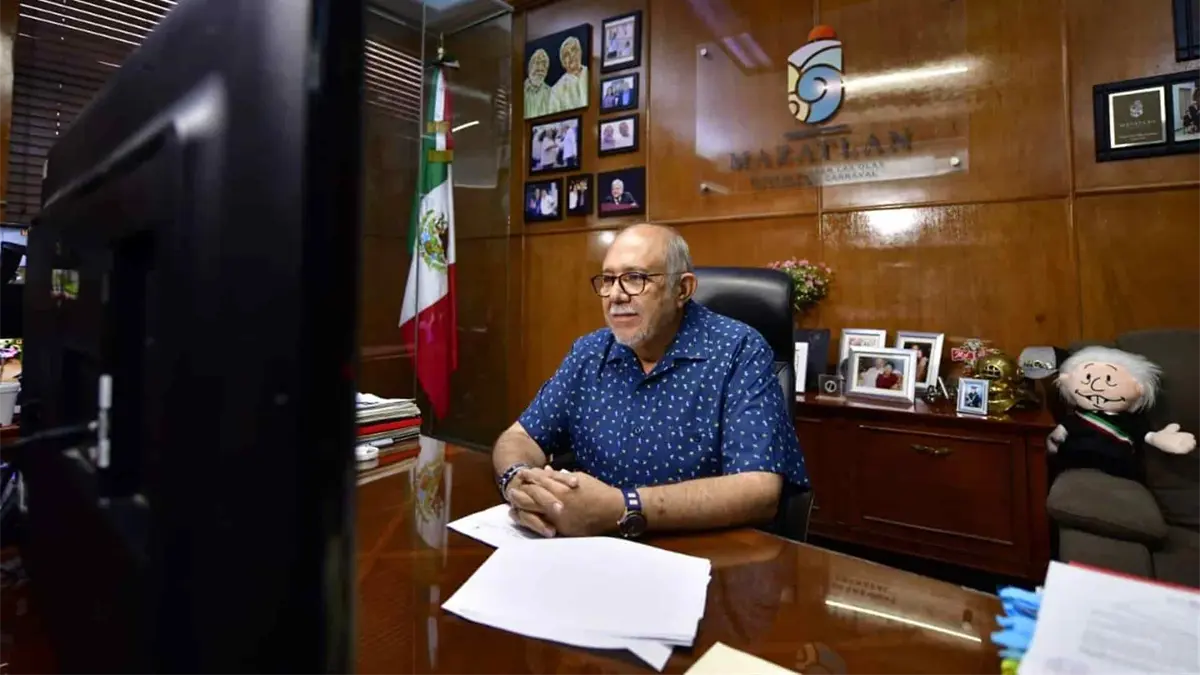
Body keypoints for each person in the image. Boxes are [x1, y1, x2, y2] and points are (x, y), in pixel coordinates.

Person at [492, 224, 808, 539]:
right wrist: (517, 480)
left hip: (703, 551)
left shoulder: (739, 350)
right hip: (591, 548)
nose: (616, 295)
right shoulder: (589, 352)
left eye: (635, 278)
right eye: (608, 279)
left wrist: (623, 507)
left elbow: (760, 490)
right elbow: (520, 437)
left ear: (682, 289)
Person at [550, 36, 588, 112]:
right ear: (563, 62)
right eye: (566, 54)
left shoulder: (591, 73)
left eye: (574, 50)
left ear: (580, 52)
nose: (571, 55)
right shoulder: (556, 90)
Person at [523, 49, 552, 119]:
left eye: (544, 65)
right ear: (530, 67)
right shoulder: (518, 92)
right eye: (537, 63)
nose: (540, 68)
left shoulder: (551, 93)